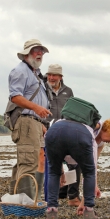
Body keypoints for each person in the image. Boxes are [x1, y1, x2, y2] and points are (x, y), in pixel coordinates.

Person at [45, 118, 110, 219]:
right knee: (86, 173)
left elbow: (93, 166)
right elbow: (90, 172)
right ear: (108, 130)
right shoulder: (93, 127)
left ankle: (52, 210)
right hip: (71, 138)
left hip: (55, 133)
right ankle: (88, 210)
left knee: (54, 172)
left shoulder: (100, 143)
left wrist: (85, 198)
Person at [8, 39, 52, 200]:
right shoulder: (20, 71)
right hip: (26, 121)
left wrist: (40, 123)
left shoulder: (34, 73)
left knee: (29, 160)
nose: (39, 53)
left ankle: (20, 199)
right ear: (26, 53)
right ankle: (25, 202)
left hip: (33, 122)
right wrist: (36, 108)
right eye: (36, 50)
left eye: (41, 50)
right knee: (28, 162)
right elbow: (15, 97)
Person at [38, 64, 80, 204]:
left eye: (54, 75)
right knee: (50, 164)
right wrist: (42, 126)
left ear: (61, 77)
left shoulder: (68, 91)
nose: (51, 77)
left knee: (74, 163)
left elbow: (73, 111)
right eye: (49, 74)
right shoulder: (41, 89)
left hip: (64, 131)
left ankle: (72, 195)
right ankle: (52, 195)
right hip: (46, 130)